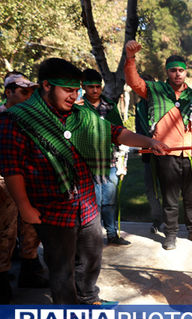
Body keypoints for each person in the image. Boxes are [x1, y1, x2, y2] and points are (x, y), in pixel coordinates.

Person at [0, 58, 168, 304]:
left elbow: (115, 132)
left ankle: (89, 298)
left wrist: (149, 142)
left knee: (90, 259)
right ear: (46, 86)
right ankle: (68, 316)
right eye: (68, 90)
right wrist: (25, 208)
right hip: (52, 209)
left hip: (86, 204)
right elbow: (12, 169)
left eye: (76, 90)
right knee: (61, 268)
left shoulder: (81, 115)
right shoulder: (16, 120)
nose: (74, 95)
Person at [125, 40, 192, 250]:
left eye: (181, 70)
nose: (178, 74)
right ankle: (171, 233)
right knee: (170, 199)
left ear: (186, 72)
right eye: (173, 70)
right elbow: (134, 82)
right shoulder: (155, 90)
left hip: (191, 156)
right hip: (166, 155)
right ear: (167, 72)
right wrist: (130, 58)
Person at [0, 73, 47, 304]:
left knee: (31, 228)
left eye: (31, 92)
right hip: (4, 180)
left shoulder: (31, 118)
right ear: (8, 92)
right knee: (5, 231)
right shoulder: (2, 117)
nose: (29, 96)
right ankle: (2, 280)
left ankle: (30, 269)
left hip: (29, 178)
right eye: (24, 92)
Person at [80, 69, 131, 246]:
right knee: (91, 200)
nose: (95, 90)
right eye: (90, 87)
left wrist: (122, 159)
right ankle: (92, 237)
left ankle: (111, 234)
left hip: (109, 159)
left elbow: (119, 131)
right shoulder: (78, 106)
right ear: (83, 87)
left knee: (109, 199)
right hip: (87, 162)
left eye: (97, 86)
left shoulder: (109, 105)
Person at [135, 74, 163, 235]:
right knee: (151, 188)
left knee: (168, 188)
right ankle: (157, 219)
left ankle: (169, 220)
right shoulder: (139, 106)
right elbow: (139, 129)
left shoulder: (162, 103)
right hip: (148, 152)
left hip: (165, 151)